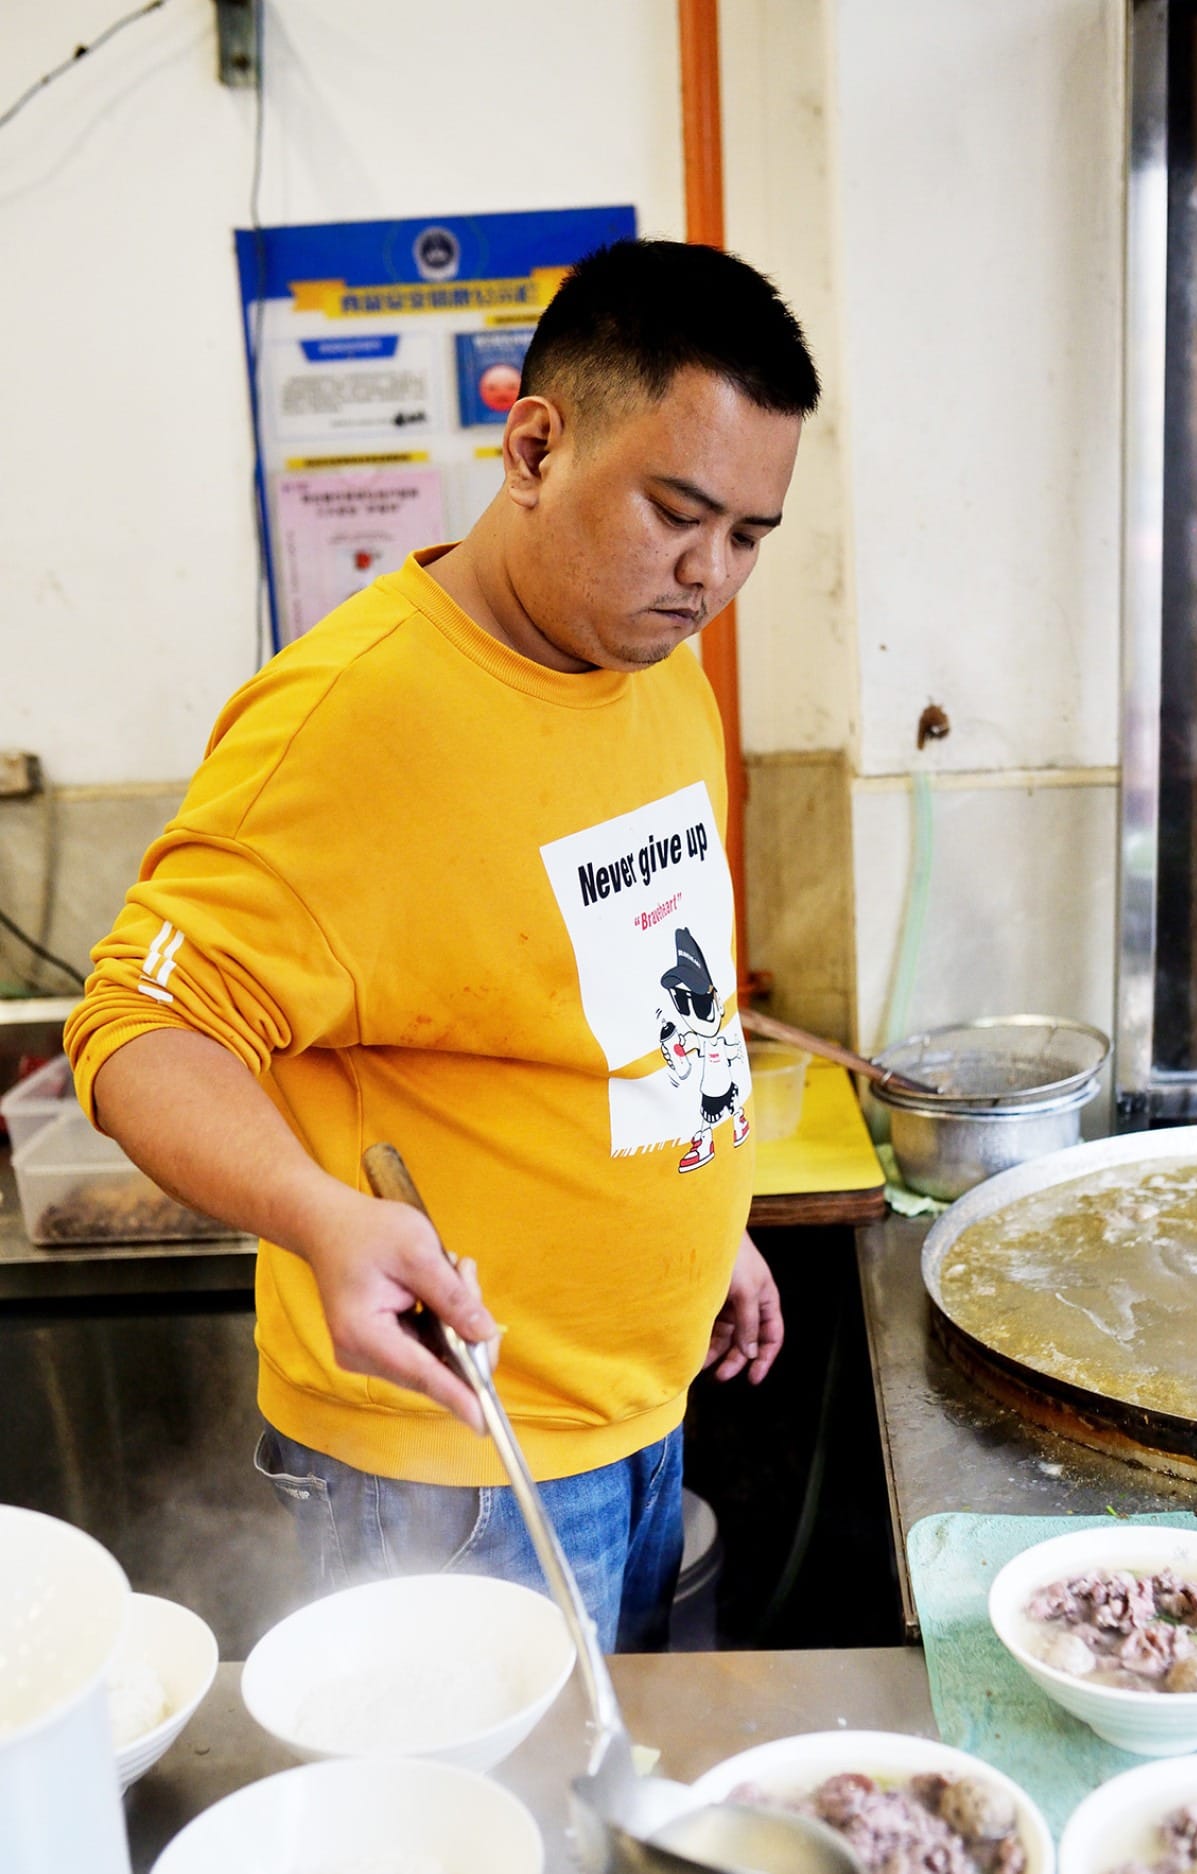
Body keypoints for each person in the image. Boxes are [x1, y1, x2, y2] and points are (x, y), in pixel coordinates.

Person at [65, 237, 821, 1651]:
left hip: (643, 1404)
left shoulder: (659, 675)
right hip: (450, 1462)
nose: (711, 574)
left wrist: (707, 1205)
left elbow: (635, 991)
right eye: (678, 511)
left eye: (752, 537)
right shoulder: (353, 721)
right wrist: (321, 1215)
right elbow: (132, 1028)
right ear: (534, 445)